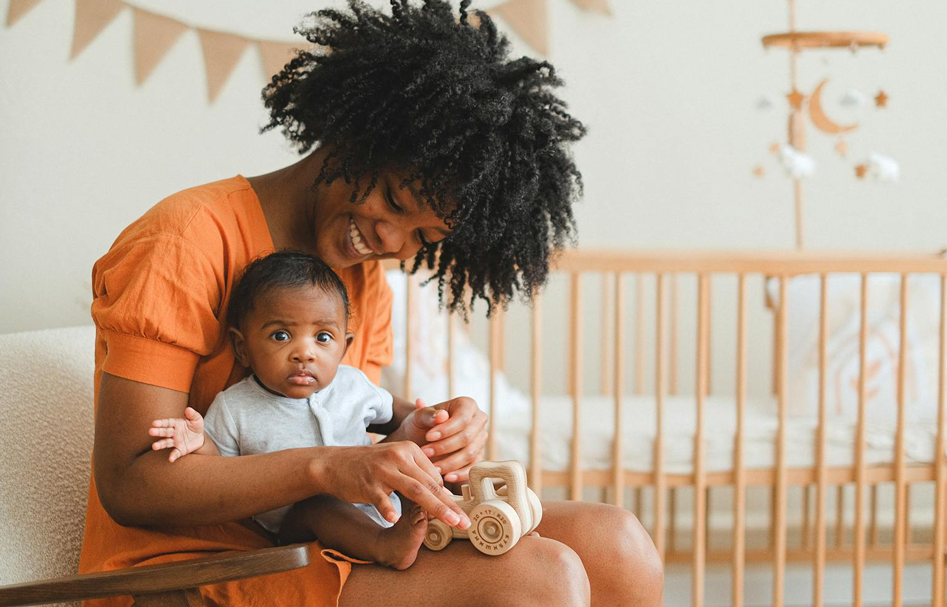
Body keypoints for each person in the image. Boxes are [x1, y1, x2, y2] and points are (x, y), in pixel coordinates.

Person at [81, 1, 664, 606]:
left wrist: (428, 429)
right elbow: (132, 482)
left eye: (424, 236)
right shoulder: (186, 239)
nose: (391, 240)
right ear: (356, 134)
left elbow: (351, 431)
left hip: (333, 538)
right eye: (391, 197)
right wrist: (325, 467)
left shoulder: (360, 282)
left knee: (616, 540)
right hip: (182, 568)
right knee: (543, 576)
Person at [148, 251, 439, 570]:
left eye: (323, 337)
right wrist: (198, 442)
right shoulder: (235, 406)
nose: (304, 353)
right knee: (318, 506)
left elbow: (397, 415)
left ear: (344, 347)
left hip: (378, 504)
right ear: (242, 348)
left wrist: (425, 418)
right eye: (281, 335)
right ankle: (386, 546)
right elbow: (217, 469)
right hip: (296, 525)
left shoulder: (353, 384)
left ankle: (433, 519)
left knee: (411, 459)